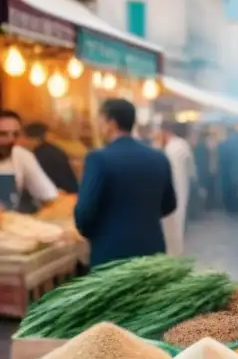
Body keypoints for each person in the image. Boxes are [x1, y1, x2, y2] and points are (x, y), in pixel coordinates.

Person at [74, 99, 176, 267]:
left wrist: (97, 233)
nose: (98, 126)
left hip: (112, 257)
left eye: (100, 120)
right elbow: (170, 205)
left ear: (111, 123)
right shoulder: (159, 158)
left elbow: (84, 212)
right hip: (153, 254)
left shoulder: (98, 159)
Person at [156, 121, 195, 257]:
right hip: (181, 190)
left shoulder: (173, 148)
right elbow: (192, 171)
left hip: (175, 191)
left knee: (173, 226)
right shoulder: (181, 145)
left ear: (165, 132)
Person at [23, 122, 78, 194]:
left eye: (25, 138)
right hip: (69, 191)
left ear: (32, 139)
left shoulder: (43, 154)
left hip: (63, 194)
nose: (24, 142)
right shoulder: (51, 149)